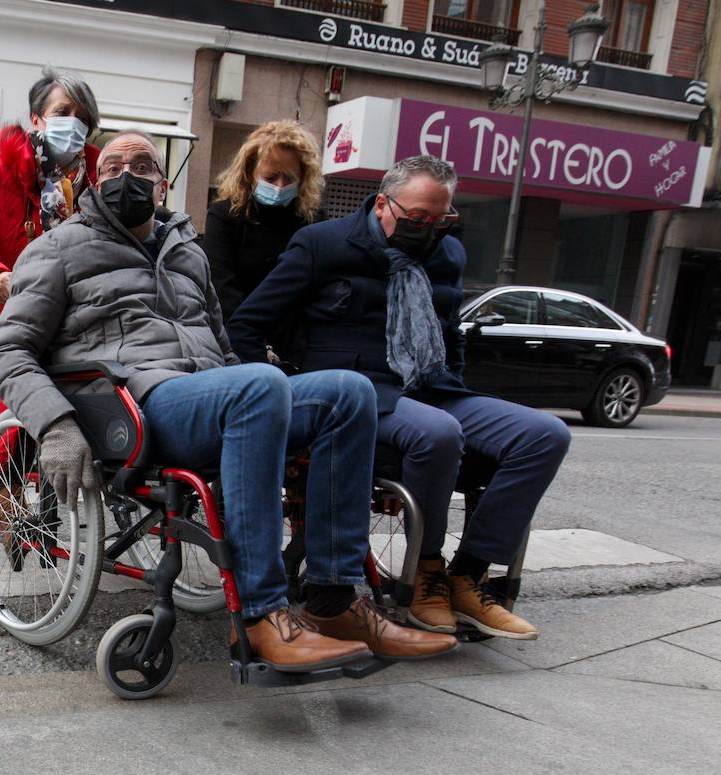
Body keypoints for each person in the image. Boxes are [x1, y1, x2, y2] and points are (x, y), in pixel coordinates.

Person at [0, 131, 457, 671]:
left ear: (163, 184)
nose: (125, 176)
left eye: (141, 166)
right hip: (135, 402)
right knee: (259, 387)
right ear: (94, 180)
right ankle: (262, 616)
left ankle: (334, 600)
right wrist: (55, 425)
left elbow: (225, 348)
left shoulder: (188, 250)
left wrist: (259, 384)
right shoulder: (56, 249)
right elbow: (8, 351)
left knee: (349, 393)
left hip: (211, 391)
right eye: (112, 167)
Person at [227, 155, 571, 641]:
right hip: (357, 393)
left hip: (431, 387)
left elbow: (451, 332)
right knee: (438, 432)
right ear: (384, 204)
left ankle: (468, 575)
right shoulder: (321, 244)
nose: (428, 230)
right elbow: (246, 324)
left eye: (440, 219)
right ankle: (425, 574)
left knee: (545, 434)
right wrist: (277, 393)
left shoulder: (447, 254)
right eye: (417, 219)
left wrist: (454, 376)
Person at [0, 67, 102, 472]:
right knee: (10, 416)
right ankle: (10, 498)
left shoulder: (98, 181)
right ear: (36, 119)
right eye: (62, 111)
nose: (73, 124)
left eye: (83, 117)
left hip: (71, 316)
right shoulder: (1, 171)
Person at [203, 120, 323, 365]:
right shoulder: (224, 215)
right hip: (236, 340)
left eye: (288, 178)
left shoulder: (312, 220)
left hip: (296, 345)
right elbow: (223, 288)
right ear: (250, 173)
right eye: (270, 177)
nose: (279, 186)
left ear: (303, 178)